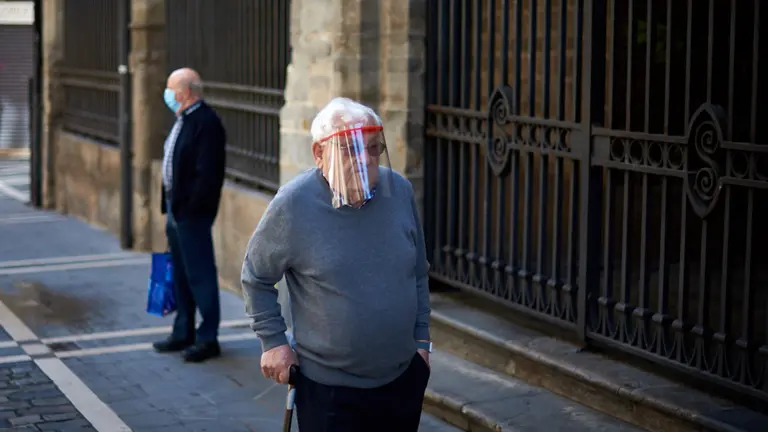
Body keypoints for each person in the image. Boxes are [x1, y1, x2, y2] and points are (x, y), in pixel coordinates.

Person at [241, 97, 432, 431]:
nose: (365, 159)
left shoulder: (398, 190)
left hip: (403, 379)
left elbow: (417, 272)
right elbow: (255, 277)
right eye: (350, 148)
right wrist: (273, 342)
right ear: (319, 154)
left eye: (373, 148)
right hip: (330, 392)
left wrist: (422, 343)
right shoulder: (294, 203)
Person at [153, 68, 227, 363]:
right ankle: (183, 330)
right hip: (176, 209)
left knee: (200, 274)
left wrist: (190, 209)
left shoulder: (206, 123)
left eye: (171, 89)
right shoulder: (182, 119)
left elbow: (208, 175)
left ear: (185, 92)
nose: (168, 94)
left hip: (191, 213)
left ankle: (208, 337)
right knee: (180, 273)